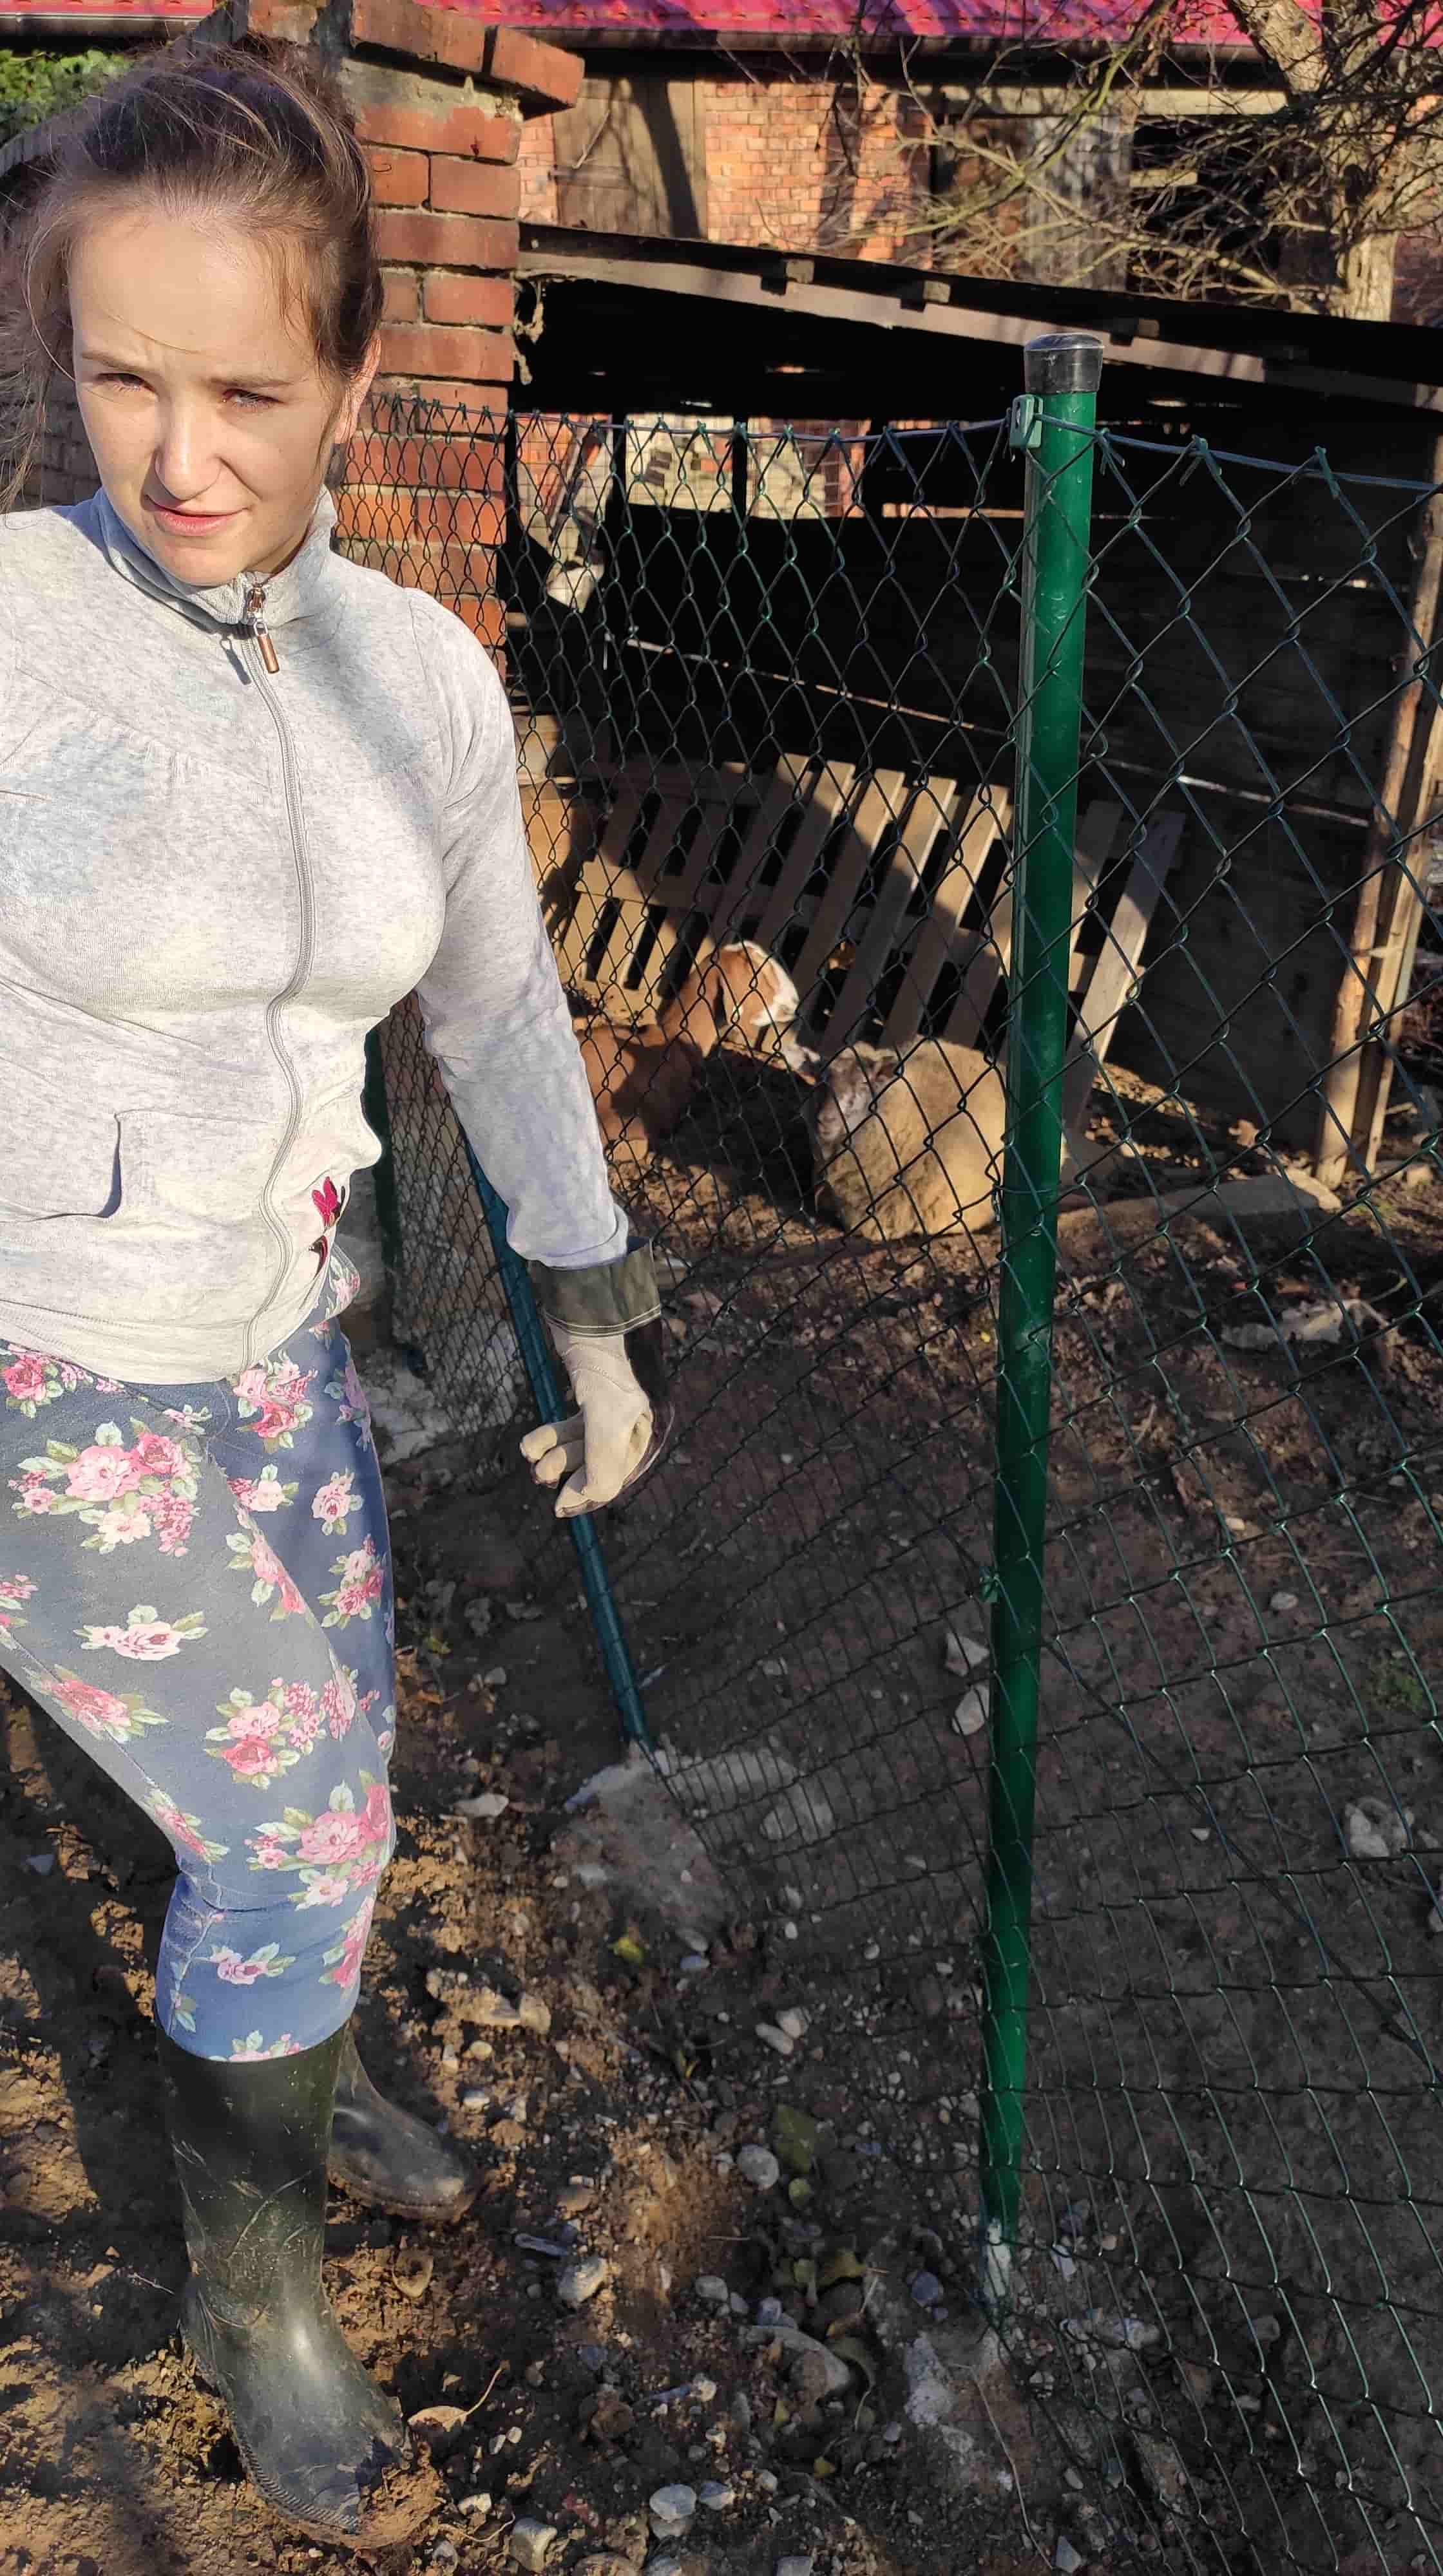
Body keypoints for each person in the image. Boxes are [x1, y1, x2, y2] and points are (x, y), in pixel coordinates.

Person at [0, 34, 669, 2546]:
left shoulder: (420, 678)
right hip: (42, 1359)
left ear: (359, 374)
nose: (179, 458)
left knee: (339, 1755)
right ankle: (251, 2285)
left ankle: (296, 2052)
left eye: (249, 394)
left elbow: (494, 1005)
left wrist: (586, 1297)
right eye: (121, 381)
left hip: (281, 1332)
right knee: (289, 1808)